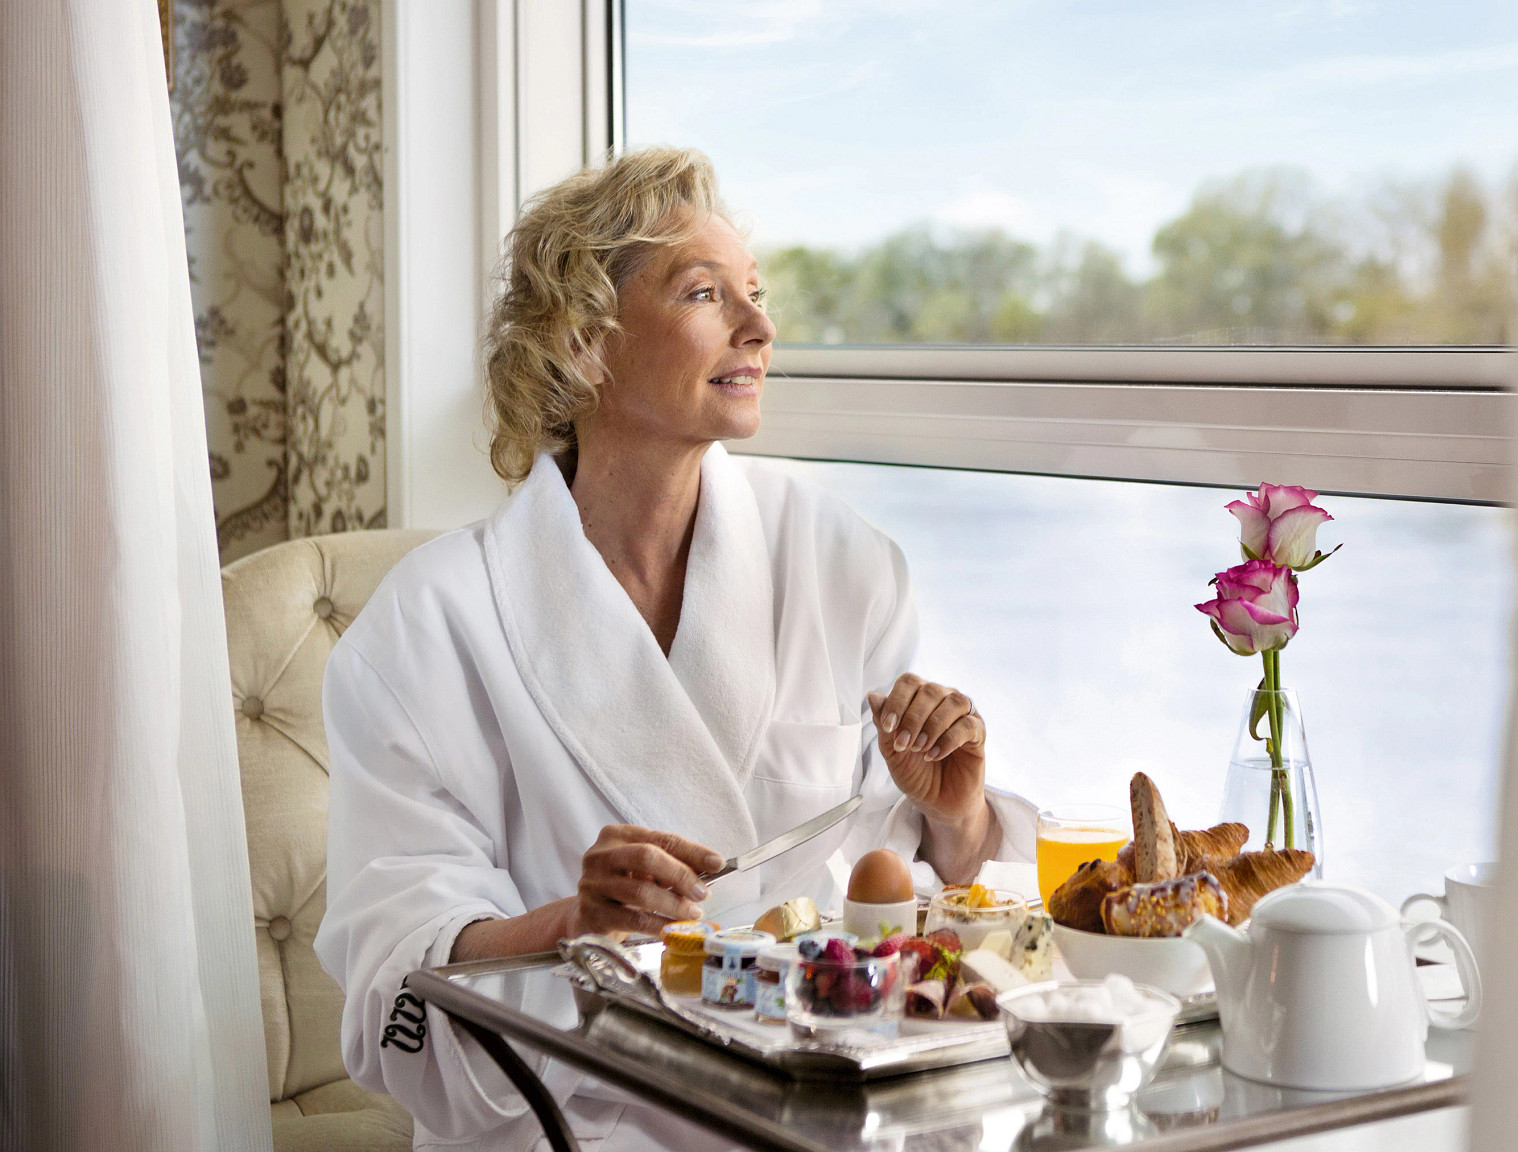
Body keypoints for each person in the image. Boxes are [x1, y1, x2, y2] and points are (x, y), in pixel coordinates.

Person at [314, 147, 1036, 1150]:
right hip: (580, 1114)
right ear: (582, 345)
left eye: (756, 293)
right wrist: (574, 926)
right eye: (704, 293)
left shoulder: (842, 562)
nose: (760, 327)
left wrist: (953, 817)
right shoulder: (429, 625)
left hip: (828, 1106)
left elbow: (903, 904)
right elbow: (396, 970)